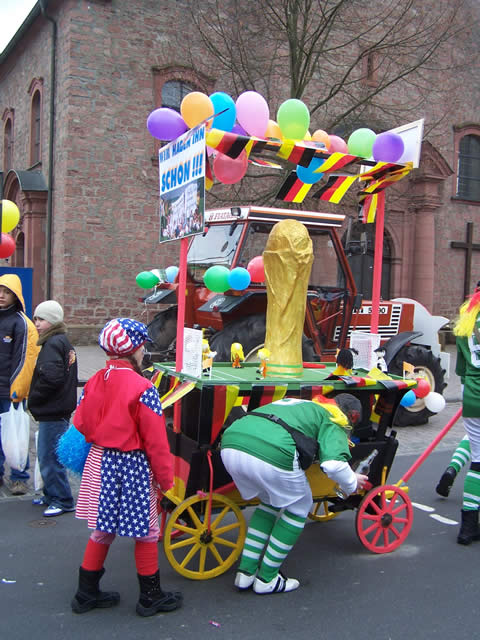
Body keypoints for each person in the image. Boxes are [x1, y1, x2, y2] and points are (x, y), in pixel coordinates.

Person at [71, 318, 182, 616]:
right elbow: (156, 442)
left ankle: (85, 593)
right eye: (142, 347)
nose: (143, 352)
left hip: (99, 462)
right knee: (146, 530)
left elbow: (80, 421)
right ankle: (150, 597)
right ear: (134, 349)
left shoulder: (95, 380)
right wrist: (166, 480)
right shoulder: (144, 388)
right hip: (130, 464)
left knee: (102, 528)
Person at [220, 393, 369, 594]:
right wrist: (352, 482)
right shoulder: (335, 418)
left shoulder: (303, 404)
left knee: (269, 501)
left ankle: (245, 573)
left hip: (232, 442)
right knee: (300, 506)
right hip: (271, 450)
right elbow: (333, 465)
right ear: (352, 417)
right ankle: (267, 579)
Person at [27, 300, 78, 516]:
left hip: (52, 410)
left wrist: (34, 399)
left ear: (54, 320)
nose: (37, 323)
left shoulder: (53, 344)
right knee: (48, 455)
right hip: (57, 409)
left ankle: (62, 499)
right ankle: (51, 494)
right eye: (36, 319)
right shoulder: (60, 341)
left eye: (42, 319)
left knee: (49, 457)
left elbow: (52, 379)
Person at [0, 274, 39, 495]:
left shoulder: (21, 323)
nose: (1, 296)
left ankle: (19, 477)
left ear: (15, 295)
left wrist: (18, 389)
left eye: (7, 292)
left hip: (11, 391)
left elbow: (25, 359)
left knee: (15, 437)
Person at [452, 288, 480, 544]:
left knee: (478, 460)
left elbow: (460, 369)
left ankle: (468, 526)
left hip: (471, 395)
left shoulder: (466, 322)